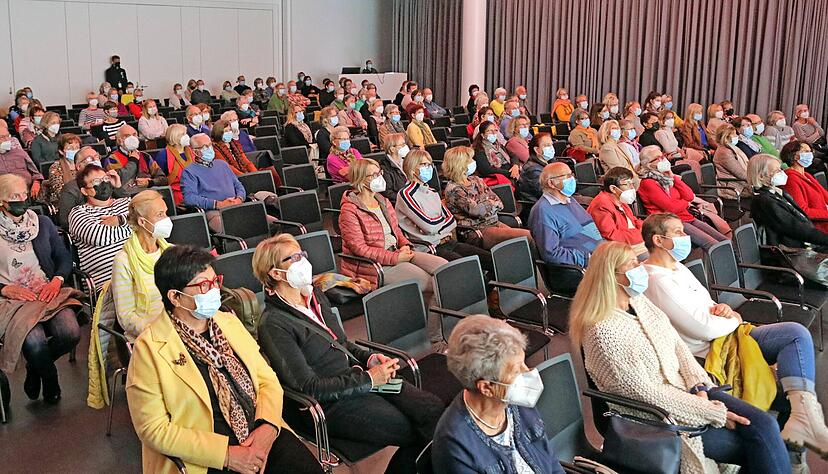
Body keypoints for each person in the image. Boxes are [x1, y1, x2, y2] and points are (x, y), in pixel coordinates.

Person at [570, 241, 792, 474]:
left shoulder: (639, 302)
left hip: (690, 390)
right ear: (612, 276)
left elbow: (678, 346)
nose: (640, 268)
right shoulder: (603, 331)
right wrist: (712, 412)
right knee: (756, 443)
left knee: (765, 425)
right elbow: (646, 394)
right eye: (633, 264)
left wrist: (699, 385)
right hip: (660, 416)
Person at [642, 213, 828, 465]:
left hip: (728, 334)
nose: (686, 237)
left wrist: (726, 310)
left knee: (795, 335)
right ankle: (795, 445)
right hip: (710, 350)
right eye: (678, 232)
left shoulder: (677, 267)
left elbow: (709, 307)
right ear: (658, 240)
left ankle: (804, 417)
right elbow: (703, 328)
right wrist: (734, 319)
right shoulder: (656, 280)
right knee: (785, 382)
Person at [254, 235, 442, 474]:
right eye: (295, 257)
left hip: (363, 378)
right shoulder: (274, 324)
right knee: (413, 429)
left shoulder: (314, 297)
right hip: (334, 402)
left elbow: (341, 343)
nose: (304, 261)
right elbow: (308, 387)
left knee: (432, 409)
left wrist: (369, 359)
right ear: (276, 274)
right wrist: (369, 379)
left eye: (303, 254)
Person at [125, 244, 322, 474]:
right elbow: (153, 429)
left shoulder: (227, 322)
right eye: (204, 285)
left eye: (215, 281)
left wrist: (267, 427)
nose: (214, 290)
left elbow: (267, 379)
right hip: (206, 456)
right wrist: (227, 455)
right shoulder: (149, 348)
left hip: (259, 430)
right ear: (175, 297)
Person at [433, 315, 563, 474]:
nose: (528, 372)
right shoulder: (456, 444)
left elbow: (550, 462)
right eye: (516, 371)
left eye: (524, 363)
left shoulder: (517, 403)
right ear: (486, 387)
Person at [338, 159, 448, 340]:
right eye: (373, 175)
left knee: (446, 269)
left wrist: (405, 244)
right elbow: (359, 248)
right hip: (375, 265)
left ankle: (438, 325)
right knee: (433, 284)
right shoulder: (350, 210)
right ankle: (435, 338)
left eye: (379, 173)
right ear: (360, 179)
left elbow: (397, 232)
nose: (379, 177)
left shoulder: (382, 201)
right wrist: (395, 258)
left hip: (398, 252)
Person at [0, 174, 82, 406]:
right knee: (34, 343)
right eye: (15, 196)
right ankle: (50, 377)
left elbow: (63, 257)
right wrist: (5, 289)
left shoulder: (41, 222)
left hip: (47, 290)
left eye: (24, 194)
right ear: (2, 201)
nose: (22, 200)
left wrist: (57, 280)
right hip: (13, 298)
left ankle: (35, 369)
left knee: (70, 333)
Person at [396, 149, 492, 267]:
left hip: (447, 241)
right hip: (429, 247)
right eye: (424, 164)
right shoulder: (406, 194)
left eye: (430, 164)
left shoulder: (432, 192)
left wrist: (436, 224)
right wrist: (440, 223)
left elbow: (452, 221)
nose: (429, 167)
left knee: (489, 258)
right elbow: (429, 227)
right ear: (412, 168)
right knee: (470, 266)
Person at [637, 145, 729, 248]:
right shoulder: (648, 183)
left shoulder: (666, 177)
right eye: (658, 158)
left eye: (662, 156)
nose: (663, 159)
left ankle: (736, 260)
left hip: (685, 216)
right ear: (648, 164)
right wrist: (685, 203)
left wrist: (673, 177)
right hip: (668, 222)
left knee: (724, 240)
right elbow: (671, 208)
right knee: (713, 245)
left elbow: (689, 196)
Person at [443, 146, 532, 249]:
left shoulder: (476, 179)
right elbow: (476, 211)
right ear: (460, 164)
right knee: (527, 237)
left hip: (493, 222)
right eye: (470, 160)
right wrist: (489, 203)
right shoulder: (453, 189)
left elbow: (498, 201)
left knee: (529, 237)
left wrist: (485, 204)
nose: (473, 162)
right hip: (476, 230)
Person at [110, 190, 170, 342]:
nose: (167, 219)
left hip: (175, 327)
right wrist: (157, 332)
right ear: (142, 222)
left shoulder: (170, 252)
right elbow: (126, 316)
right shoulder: (123, 261)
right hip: (147, 337)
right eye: (160, 215)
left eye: (166, 213)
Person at [529, 161, 603, 272]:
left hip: (601, 255)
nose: (572, 179)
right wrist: (587, 259)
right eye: (567, 176)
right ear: (551, 183)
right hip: (581, 268)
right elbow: (551, 253)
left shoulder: (569, 200)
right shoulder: (542, 211)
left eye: (571, 175)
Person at [68, 165, 132, 289]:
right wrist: (134, 224)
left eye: (105, 179)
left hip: (143, 272)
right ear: (85, 191)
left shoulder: (125, 202)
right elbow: (100, 237)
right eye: (96, 182)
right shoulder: (79, 213)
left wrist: (120, 220)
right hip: (109, 284)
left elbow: (150, 222)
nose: (103, 184)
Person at [748, 154, 828, 249]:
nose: (782, 173)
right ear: (761, 176)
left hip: (802, 241)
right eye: (777, 171)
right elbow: (794, 228)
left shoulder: (776, 193)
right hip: (791, 250)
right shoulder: (764, 201)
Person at [180, 134, 246, 232]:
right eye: (205, 147)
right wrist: (217, 204)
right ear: (195, 151)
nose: (209, 149)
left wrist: (239, 199)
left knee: (270, 222)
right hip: (215, 212)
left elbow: (238, 185)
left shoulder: (222, 164)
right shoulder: (189, 172)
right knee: (235, 229)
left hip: (236, 204)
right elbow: (189, 198)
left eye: (210, 145)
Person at [57, 147, 129, 229]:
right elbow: (66, 222)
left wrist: (118, 187)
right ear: (78, 166)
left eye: (97, 157)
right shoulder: (70, 189)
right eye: (89, 159)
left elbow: (130, 206)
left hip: (119, 222)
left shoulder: (107, 179)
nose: (95, 161)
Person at [587, 167, 647, 258]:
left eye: (632, 183)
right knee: (659, 254)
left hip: (633, 241)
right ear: (613, 189)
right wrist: (641, 234)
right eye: (627, 184)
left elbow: (633, 221)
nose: (632, 188)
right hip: (620, 249)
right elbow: (611, 235)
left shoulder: (620, 200)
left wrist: (647, 228)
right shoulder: (601, 205)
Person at [780, 141, 828, 233]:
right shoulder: (791, 179)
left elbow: (825, 195)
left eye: (810, 151)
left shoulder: (806, 175)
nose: (810, 154)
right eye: (805, 152)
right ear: (794, 156)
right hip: (818, 227)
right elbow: (802, 211)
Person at [106, 125, 168, 193]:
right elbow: (118, 181)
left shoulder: (145, 156)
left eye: (134, 135)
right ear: (119, 140)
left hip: (149, 194)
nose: (132, 138)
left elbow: (163, 179)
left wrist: (150, 182)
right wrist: (133, 160)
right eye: (126, 136)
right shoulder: (111, 159)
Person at [154, 124, 194, 205]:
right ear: (174, 137)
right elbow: (161, 178)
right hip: (177, 192)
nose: (186, 136)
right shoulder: (163, 155)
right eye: (183, 134)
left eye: (186, 133)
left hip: (195, 187)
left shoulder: (191, 151)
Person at [0, 126, 42, 197]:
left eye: (8, 136)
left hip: (29, 193)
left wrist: (36, 183)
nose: (7, 140)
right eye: (2, 137)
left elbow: (36, 174)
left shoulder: (20, 153)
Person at [473, 121, 518, 187]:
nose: (494, 133)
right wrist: (509, 173)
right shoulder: (479, 149)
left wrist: (515, 166)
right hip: (499, 177)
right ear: (483, 135)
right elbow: (486, 170)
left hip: (510, 171)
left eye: (495, 130)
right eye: (490, 131)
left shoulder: (498, 144)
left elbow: (513, 155)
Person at [598, 120, 639, 186]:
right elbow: (617, 168)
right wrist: (635, 177)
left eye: (618, 128)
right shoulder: (607, 148)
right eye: (614, 128)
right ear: (607, 132)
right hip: (621, 181)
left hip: (630, 177)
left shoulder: (616, 145)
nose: (617, 130)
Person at [713, 124, 750, 198]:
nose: (737, 136)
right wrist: (756, 179)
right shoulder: (724, 152)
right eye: (734, 134)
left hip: (739, 183)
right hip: (733, 187)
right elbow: (741, 174)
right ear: (726, 137)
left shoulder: (730, 148)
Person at [46, 133, 80, 208]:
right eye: (70, 148)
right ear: (61, 151)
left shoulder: (84, 164)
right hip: (64, 205)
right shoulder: (55, 168)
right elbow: (60, 192)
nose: (75, 151)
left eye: (77, 147)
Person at [519, 133, 554, 204]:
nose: (551, 148)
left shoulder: (549, 162)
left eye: (551, 144)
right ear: (536, 149)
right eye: (547, 145)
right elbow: (544, 192)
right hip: (539, 205)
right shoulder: (532, 169)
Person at [376, 133, 410, 205]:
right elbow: (387, 192)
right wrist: (406, 198)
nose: (405, 147)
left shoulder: (407, 161)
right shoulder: (384, 167)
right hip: (400, 203)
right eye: (402, 145)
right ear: (392, 149)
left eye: (405, 144)